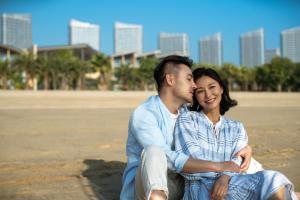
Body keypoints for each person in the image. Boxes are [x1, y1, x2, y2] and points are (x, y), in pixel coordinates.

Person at [120, 55, 255, 200]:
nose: (194, 85)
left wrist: (245, 149)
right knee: (154, 152)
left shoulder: (186, 113)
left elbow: (213, 139)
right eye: (189, 79)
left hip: (182, 184)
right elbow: (168, 158)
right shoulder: (145, 114)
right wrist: (219, 166)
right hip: (147, 188)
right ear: (170, 80)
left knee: (248, 166)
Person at [174, 67, 298, 200]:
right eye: (200, 91)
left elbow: (238, 160)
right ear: (195, 96)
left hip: (233, 182)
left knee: (275, 180)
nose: (208, 94)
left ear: (221, 88)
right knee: (274, 185)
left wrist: (225, 177)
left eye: (212, 87)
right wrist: (224, 172)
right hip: (201, 189)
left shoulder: (236, 127)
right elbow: (190, 162)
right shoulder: (188, 119)